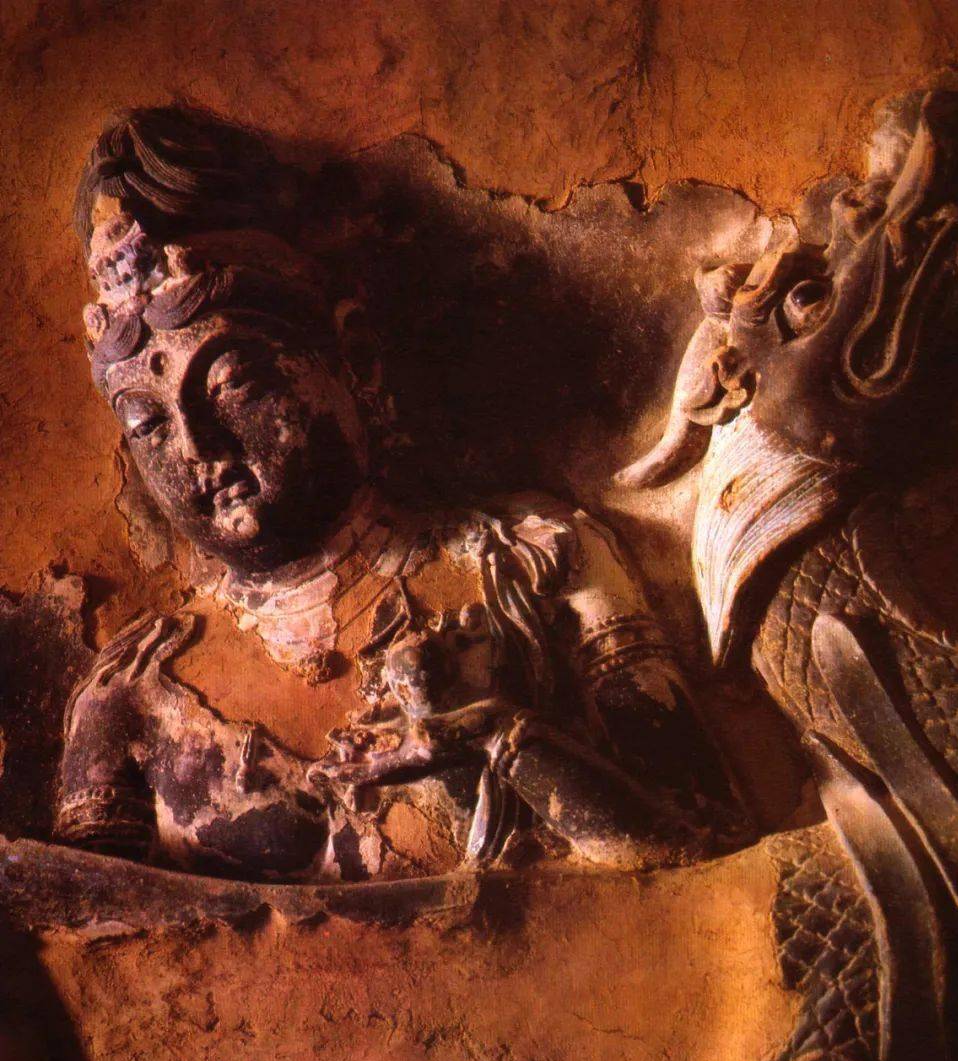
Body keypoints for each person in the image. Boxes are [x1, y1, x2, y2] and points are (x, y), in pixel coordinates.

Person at [56, 105, 750, 883]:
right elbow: (75, 934)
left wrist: (501, 738)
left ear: (354, 360)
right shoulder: (129, 695)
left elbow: (706, 838)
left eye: (234, 384)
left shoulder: (530, 560)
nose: (199, 448)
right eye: (148, 423)